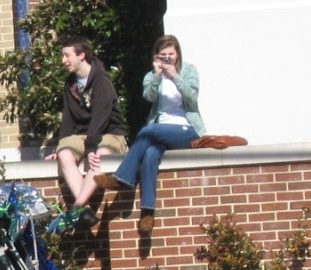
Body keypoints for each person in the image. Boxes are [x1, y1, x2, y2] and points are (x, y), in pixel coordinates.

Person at [93, 35, 204, 236]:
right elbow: (149, 96)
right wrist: (157, 75)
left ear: (177, 53)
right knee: (150, 154)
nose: (168, 59)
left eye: (171, 54)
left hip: (186, 130)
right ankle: (147, 213)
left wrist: (176, 77)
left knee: (147, 131)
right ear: (156, 57)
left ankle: (122, 177)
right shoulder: (152, 75)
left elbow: (193, 98)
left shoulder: (188, 71)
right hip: (161, 130)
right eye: (163, 56)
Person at [50, 36, 127, 215]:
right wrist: (61, 146)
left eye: (67, 55)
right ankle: (84, 210)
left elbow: (100, 119)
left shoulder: (102, 81)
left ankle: (77, 206)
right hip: (86, 136)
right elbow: (68, 120)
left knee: (100, 156)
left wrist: (91, 148)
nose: (63, 61)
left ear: (81, 55)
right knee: (65, 154)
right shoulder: (70, 84)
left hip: (111, 134)